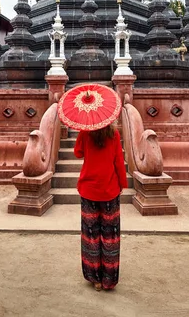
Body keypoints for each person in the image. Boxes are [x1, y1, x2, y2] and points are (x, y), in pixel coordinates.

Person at [74, 122, 128, 291]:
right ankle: (108, 280)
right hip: (109, 190)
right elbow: (118, 161)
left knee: (91, 236)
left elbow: (78, 153)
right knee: (110, 236)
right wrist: (122, 184)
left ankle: (94, 278)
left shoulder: (85, 132)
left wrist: (83, 136)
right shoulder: (114, 134)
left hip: (89, 190)